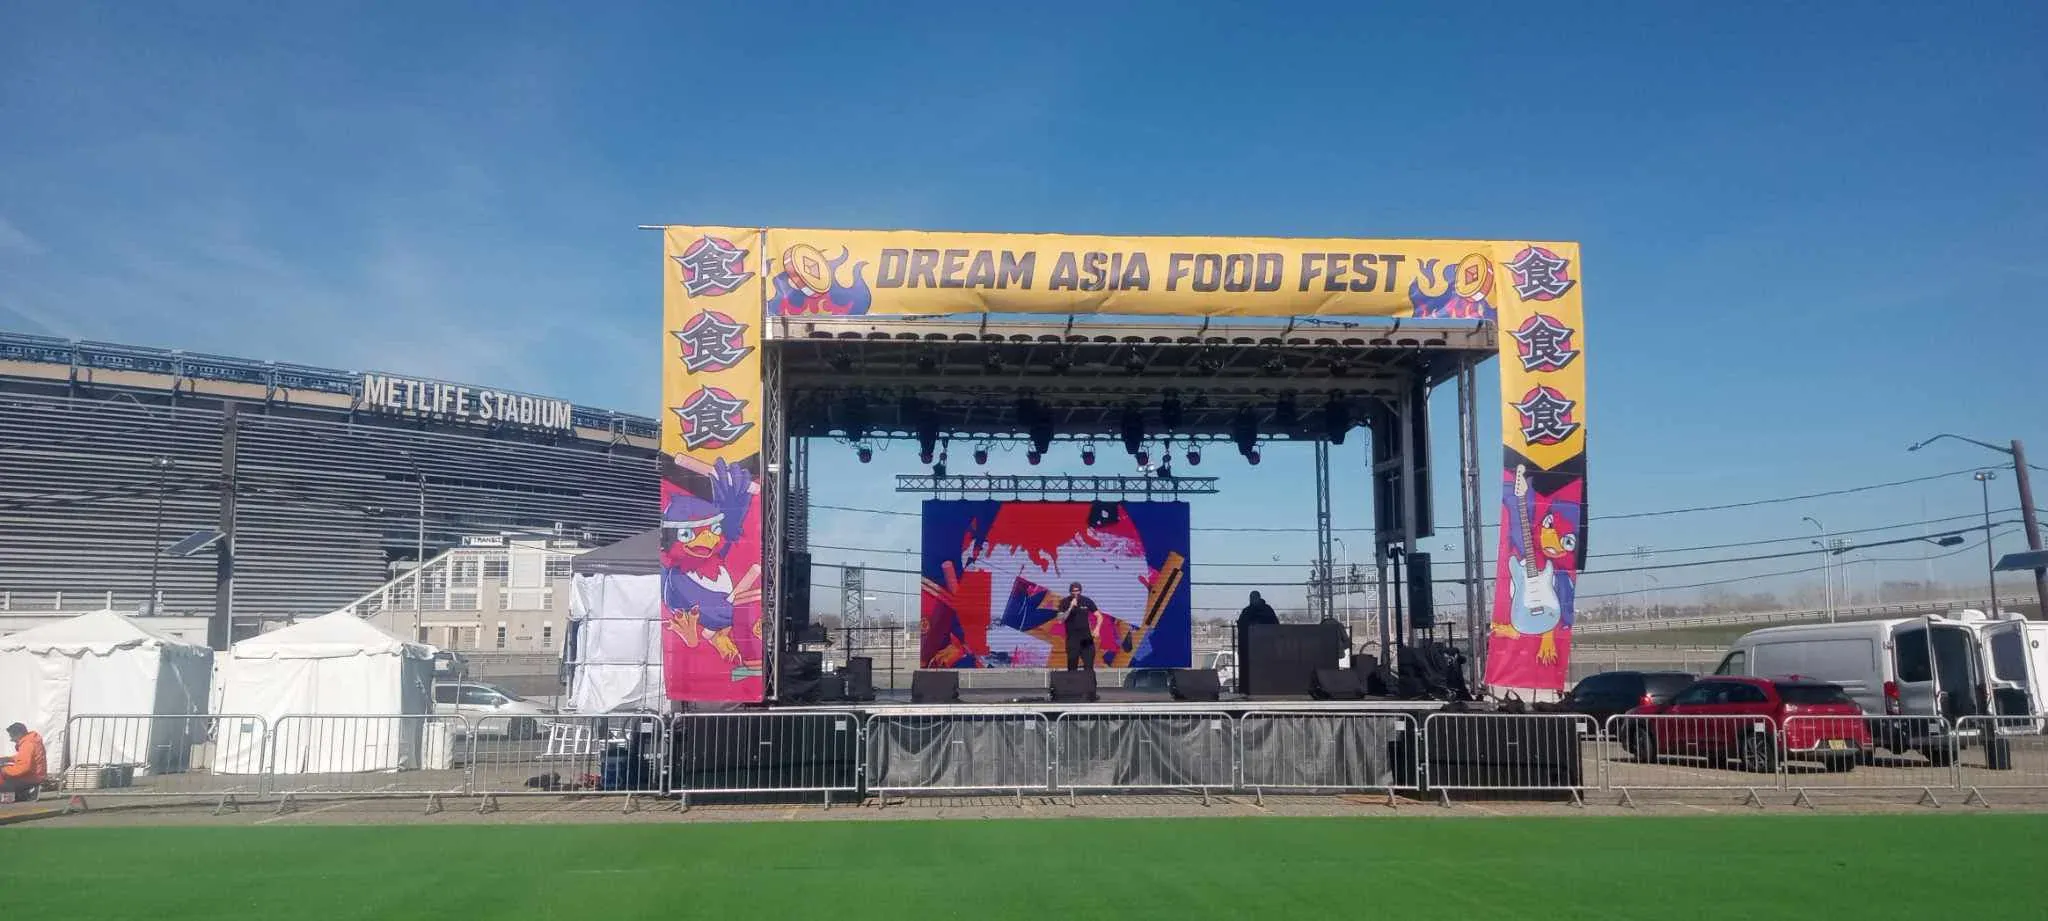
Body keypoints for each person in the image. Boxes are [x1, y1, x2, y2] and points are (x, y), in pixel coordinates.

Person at [1058, 582, 1101, 672]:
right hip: (1072, 639)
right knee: (1072, 667)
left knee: (1089, 666)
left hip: (1086, 638)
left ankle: (1089, 685)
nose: (1075, 593)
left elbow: (1099, 616)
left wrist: (1097, 628)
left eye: (1077, 591)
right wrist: (1070, 607)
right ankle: (1073, 685)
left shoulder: (1087, 601)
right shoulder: (1065, 602)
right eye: (1073, 591)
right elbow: (1060, 619)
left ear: (1080, 591)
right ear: (1070, 592)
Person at [1, 723, 46, 799]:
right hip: (36, 776)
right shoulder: (32, 740)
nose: (11, 740)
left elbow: (23, 768)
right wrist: (9, 759)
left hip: (31, 778)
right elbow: (26, 758)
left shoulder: (27, 744)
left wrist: (3, 770)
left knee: (3, 783)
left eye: (12, 736)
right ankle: (24, 793)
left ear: (19, 734)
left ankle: (22, 795)